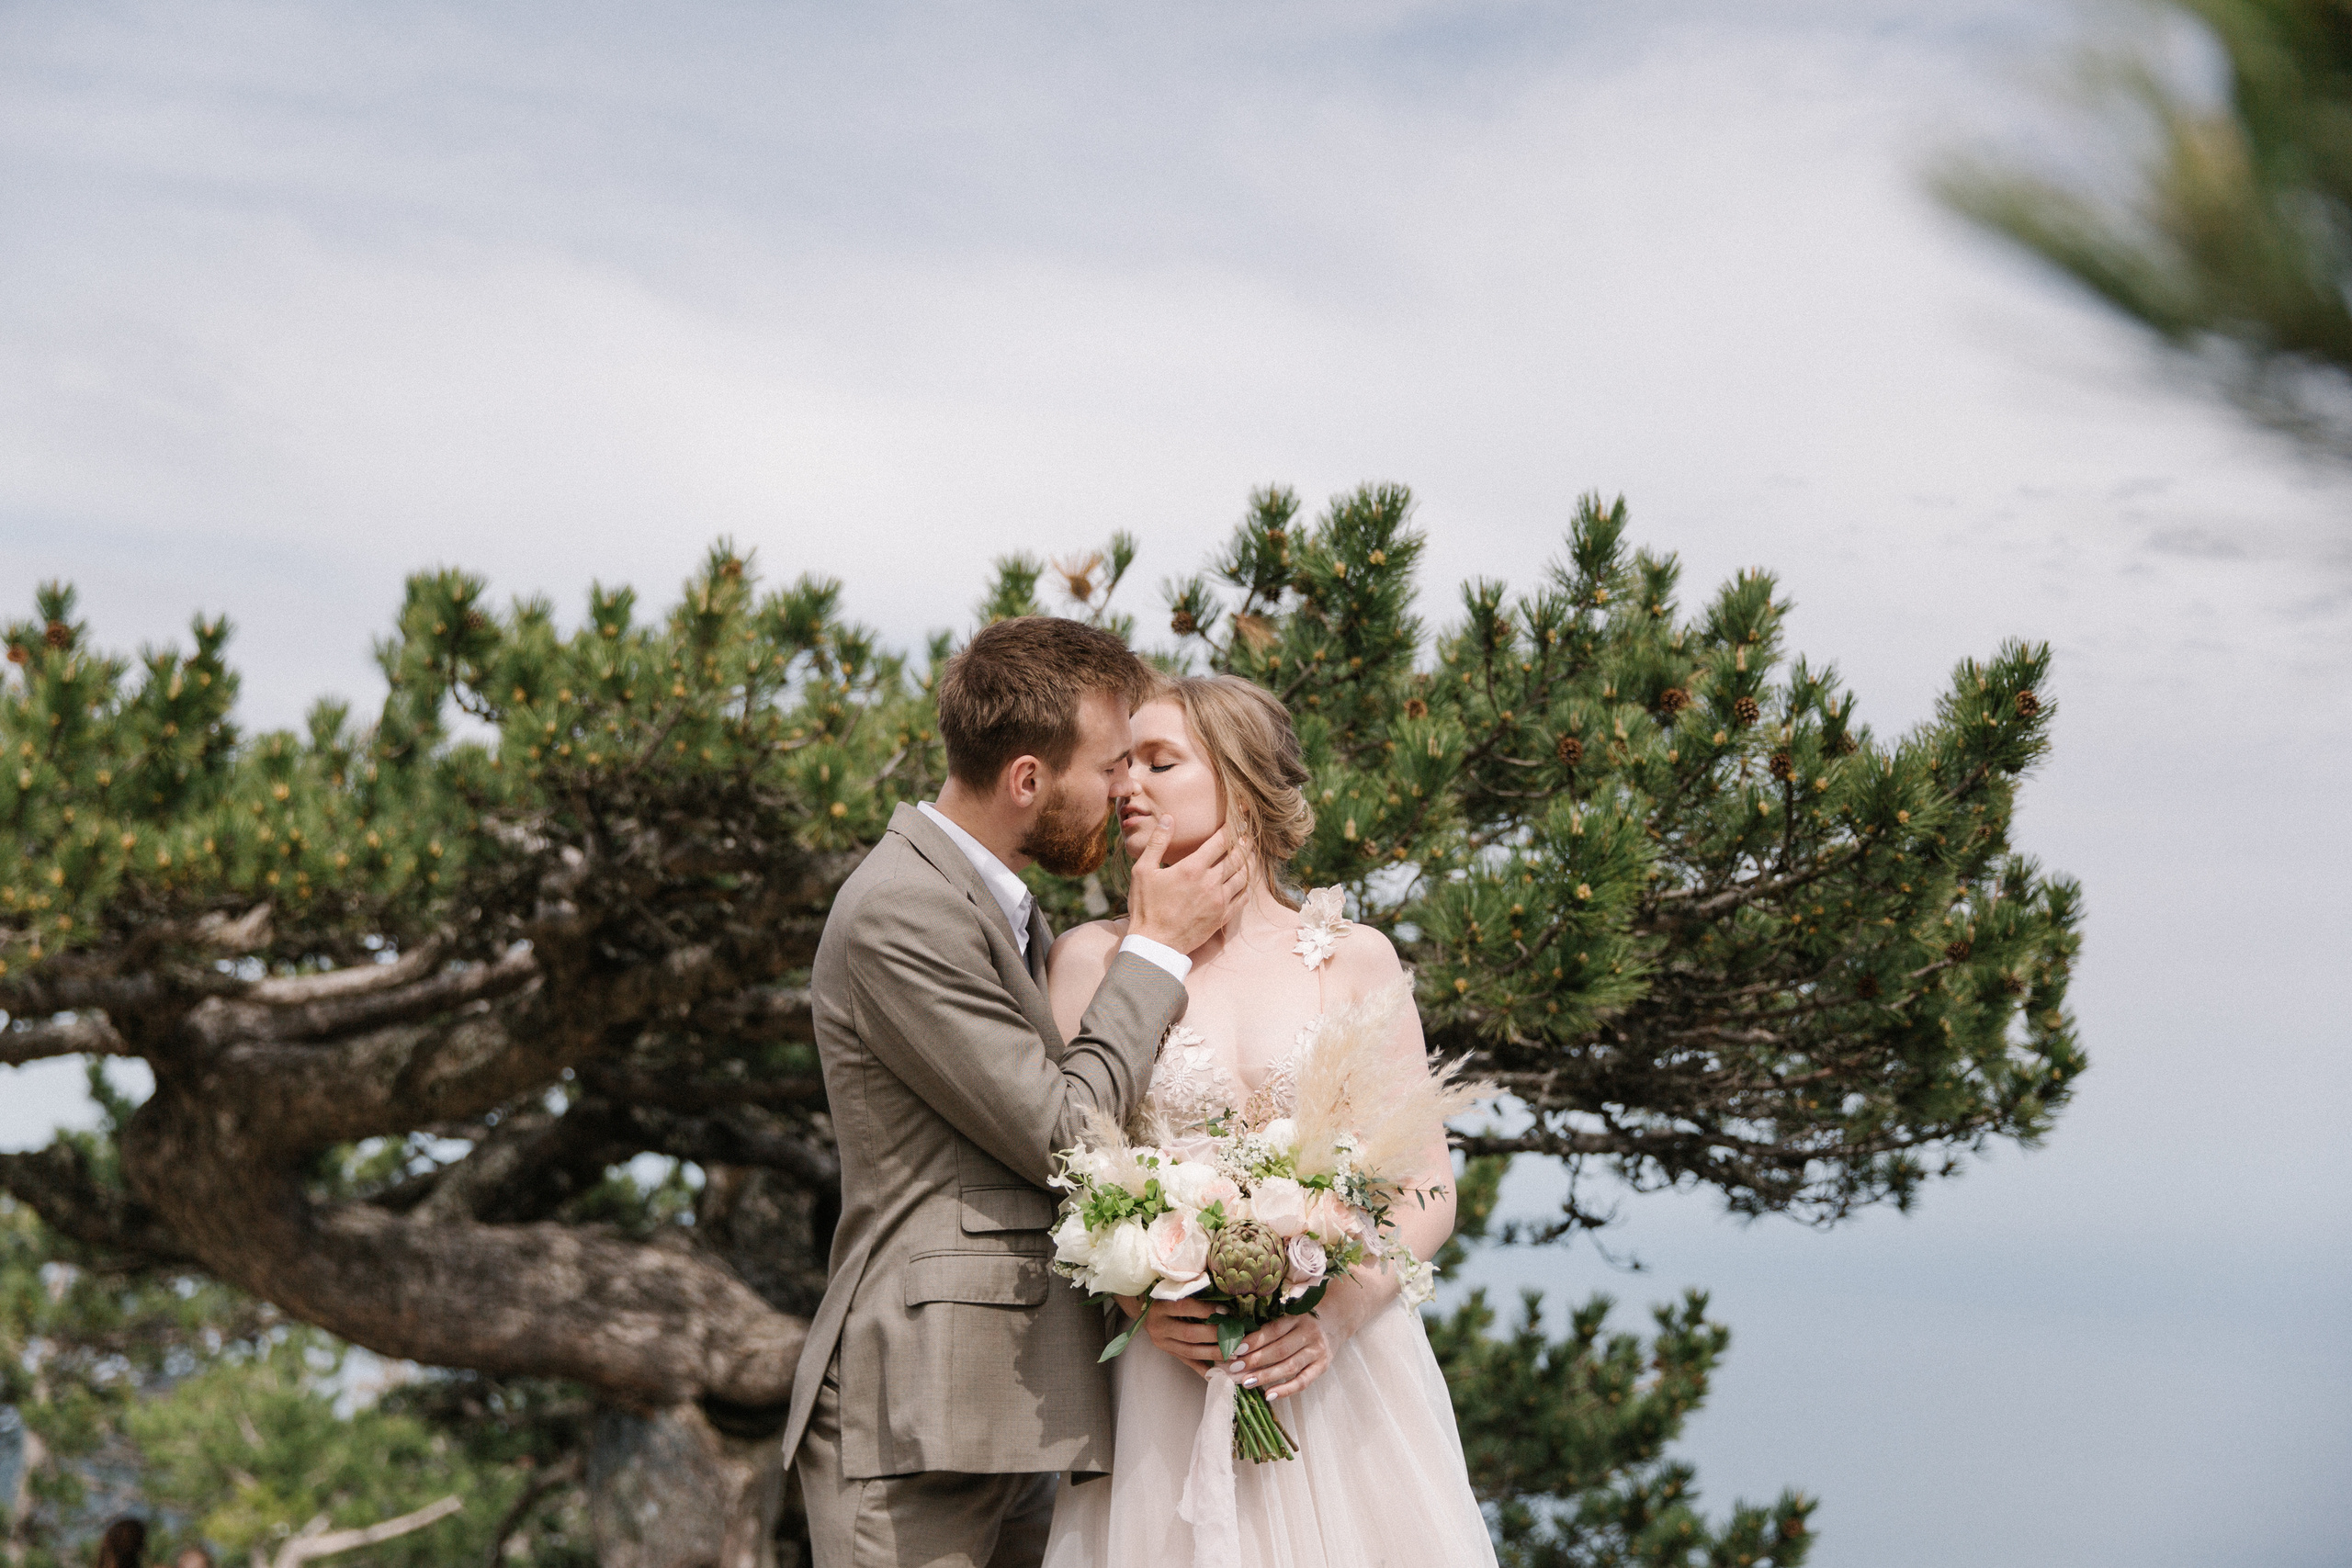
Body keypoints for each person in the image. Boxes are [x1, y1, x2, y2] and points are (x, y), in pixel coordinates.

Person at [781, 616, 1251, 1568]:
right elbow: (1061, 1130)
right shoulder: (899, 909)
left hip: (1016, 1396)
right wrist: (1156, 948)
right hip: (921, 1402)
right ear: (1028, 779)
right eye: (1113, 763)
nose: (1127, 789)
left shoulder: (994, 902)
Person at [1042, 672, 1497, 1567]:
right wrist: (1136, 1292)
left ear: (1241, 783)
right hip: (1165, 1375)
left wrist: (1337, 1312)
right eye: (1123, 765)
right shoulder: (1090, 959)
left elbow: (1428, 1185)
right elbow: (1057, 1168)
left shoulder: (1353, 959)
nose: (1126, 786)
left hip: (1339, 1374)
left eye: (1159, 763)